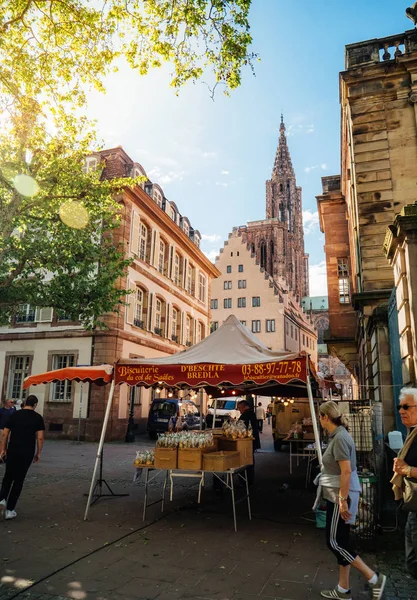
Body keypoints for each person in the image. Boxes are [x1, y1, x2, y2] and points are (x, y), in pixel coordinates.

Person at [314, 401, 386, 600]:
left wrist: (342, 500)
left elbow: (346, 470)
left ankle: (373, 578)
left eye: (320, 416)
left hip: (340, 495)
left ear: (325, 417)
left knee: (334, 541)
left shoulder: (339, 438)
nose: (320, 420)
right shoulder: (338, 435)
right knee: (342, 540)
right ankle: (343, 589)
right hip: (337, 493)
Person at [0, 394, 45, 520]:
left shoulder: (14, 415)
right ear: (35, 404)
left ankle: (2, 498)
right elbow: (40, 438)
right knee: (19, 480)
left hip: (13, 449)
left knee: (8, 476)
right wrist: (38, 453)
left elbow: (5, 434)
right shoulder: (37, 418)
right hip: (27, 452)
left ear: (24, 403)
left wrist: (3, 449)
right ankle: (10, 510)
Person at [391, 387, 417, 579]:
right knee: (412, 561)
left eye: (406, 407)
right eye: (400, 407)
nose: (401, 411)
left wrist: (407, 470)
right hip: (413, 505)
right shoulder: (413, 433)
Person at [237, 400, 260, 486]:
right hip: (251, 441)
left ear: (244, 406)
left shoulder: (246, 415)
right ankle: (248, 480)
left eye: (239, 408)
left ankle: (246, 481)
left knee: (246, 461)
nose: (239, 410)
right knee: (249, 460)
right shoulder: (251, 414)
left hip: (247, 443)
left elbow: (241, 427)